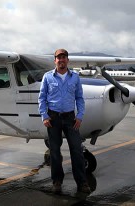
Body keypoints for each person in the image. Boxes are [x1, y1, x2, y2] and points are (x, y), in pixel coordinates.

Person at [38, 49, 91, 194]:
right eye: (58, 58)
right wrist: (44, 115)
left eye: (64, 57)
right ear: (55, 60)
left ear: (67, 60)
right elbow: (42, 98)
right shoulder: (47, 77)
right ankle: (57, 181)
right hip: (53, 118)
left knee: (77, 150)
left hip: (70, 118)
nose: (61, 60)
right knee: (54, 152)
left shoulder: (75, 77)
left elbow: (79, 98)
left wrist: (79, 116)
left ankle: (82, 182)